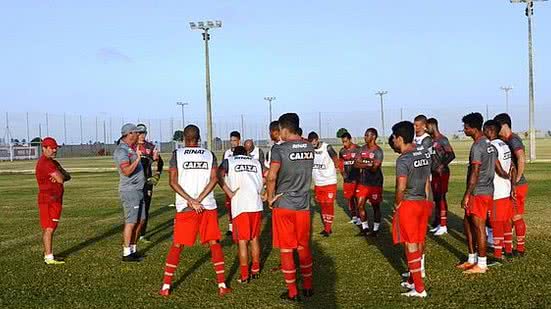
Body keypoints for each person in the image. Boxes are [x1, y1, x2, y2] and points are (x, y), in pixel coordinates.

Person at [159, 124, 231, 296]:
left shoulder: (177, 154)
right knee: (214, 243)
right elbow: (214, 179)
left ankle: (166, 287)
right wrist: (199, 199)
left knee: (177, 244)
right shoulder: (209, 154)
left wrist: (191, 200)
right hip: (207, 205)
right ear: (199, 138)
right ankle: (222, 284)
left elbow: (172, 182)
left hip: (185, 207)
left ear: (184, 138)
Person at [266, 113, 315, 301]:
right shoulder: (309, 146)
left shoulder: (279, 149)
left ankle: (293, 291)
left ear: (284, 129)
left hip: (284, 203)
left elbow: (272, 176)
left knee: (286, 249)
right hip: (303, 204)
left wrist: (270, 198)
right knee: (303, 246)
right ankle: (308, 287)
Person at [390, 121, 431, 298]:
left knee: (410, 243)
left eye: (393, 138)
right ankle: (413, 279)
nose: (393, 141)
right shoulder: (423, 151)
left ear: (399, 138)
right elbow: (427, 180)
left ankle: (419, 289)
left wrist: (397, 204)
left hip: (409, 204)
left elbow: (400, 187)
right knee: (419, 239)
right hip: (423, 202)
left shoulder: (403, 159)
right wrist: (430, 201)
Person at [218, 146, 264, 283]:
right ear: (246, 153)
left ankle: (244, 275)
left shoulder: (229, 161)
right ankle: (255, 268)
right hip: (256, 205)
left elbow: (217, 175)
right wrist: (265, 192)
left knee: (242, 241)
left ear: (234, 154)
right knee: (254, 238)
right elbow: (268, 175)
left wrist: (228, 191)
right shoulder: (256, 162)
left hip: (240, 206)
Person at [457, 113, 496, 274]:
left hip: (479, 192)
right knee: (467, 222)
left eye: (465, 127)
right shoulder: (489, 144)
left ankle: (481, 264)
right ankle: (471, 258)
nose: (464, 130)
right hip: (486, 190)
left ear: (472, 128)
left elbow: (475, 171)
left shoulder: (478, 146)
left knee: (479, 227)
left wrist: (467, 193)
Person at [494, 113, 528, 257]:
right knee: (508, 217)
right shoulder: (505, 140)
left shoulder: (513, 139)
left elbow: (521, 158)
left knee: (516, 216)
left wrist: (517, 178)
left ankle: (520, 249)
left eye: (497, 127)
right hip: (510, 184)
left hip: (517, 185)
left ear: (504, 125)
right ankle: (508, 247)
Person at [113, 123, 146, 262]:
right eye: (136, 133)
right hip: (130, 190)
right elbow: (126, 171)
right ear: (128, 134)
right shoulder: (122, 151)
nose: (138, 135)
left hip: (138, 189)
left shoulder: (130, 149)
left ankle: (133, 248)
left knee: (141, 220)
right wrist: (138, 159)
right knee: (131, 221)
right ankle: (126, 252)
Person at [35, 137, 70, 265]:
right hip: (49, 200)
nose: (55, 150)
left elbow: (67, 176)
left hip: (54, 199)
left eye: (56, 148)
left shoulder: (53, 162)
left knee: (50, 227)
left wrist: (60, 175)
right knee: (49, 228)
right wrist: (59, 176)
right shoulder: (46, 163)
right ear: (44, 148)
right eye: (52, 148)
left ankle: (48, 254)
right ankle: (49, 257)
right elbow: (61, 178)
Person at [484, 120, 515, 260]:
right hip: (506, 189)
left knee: (496, 222)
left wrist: (503, 174)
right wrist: (511, 183)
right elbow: (513, 166)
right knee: (506, 221)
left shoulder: (492, 146)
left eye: (485, 130)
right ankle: (508, 249)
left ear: (490, 130)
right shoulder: (505, 145)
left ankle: (498, 253)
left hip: (497, 190)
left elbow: (496, 164)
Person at [426, 118, 456, 236]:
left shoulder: (442, 140)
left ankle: (443, 225)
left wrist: (442, 165)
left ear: (433, 126)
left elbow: (451, 154)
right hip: (434, 173)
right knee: (437, 198)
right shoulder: (431, 140)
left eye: (427, 127)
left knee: (442, 196)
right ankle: (438, 223)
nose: (426, 129)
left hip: (442, 173)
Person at [135, 124, 164, 243]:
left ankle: (142, 234)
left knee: (145, 208)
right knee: (134, 207)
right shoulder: (130, 146)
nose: (142, 135)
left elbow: (160, 161)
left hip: (147, 182)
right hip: (134, 183)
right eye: (139, 133)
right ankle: (132, 231)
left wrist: (157, 174)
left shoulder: (150, 147)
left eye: (144, 133)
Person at [308, 131, 340, 237]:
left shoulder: (327, 147)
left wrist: (337, 167)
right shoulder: (310, 149)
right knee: (322, 204)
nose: (313, 144)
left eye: (314, 142)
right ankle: (327, 226)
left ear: (317, 140)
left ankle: (327, 228)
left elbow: (335, 158)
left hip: (329, 181)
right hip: (318, 182)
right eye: (311, 143)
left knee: (328, 204)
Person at [354, 128, 384, 237]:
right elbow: (355, 164)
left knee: (376, 206)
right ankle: (365, 228)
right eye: (365, 135)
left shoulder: (378, 151)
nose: (365, 137)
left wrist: (363, 163)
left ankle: (375, 229)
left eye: (367, 135)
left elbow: (375, 169)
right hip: (363, 182)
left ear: (373, 137)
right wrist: (369, 164)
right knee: (360, 205)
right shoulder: (362, 149)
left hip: (375, 183)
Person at [339, 132, 360, 224]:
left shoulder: (358, 149)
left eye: (346, 141)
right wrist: (343, 173)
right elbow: (341, 164)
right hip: (347, 180)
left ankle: (360, 217)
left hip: (357, 178)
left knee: (358, 198)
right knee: (350, 198)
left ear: (350, 140)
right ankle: (354, 217)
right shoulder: (342, 151)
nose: (344, 144)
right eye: (343, 142)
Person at [223, 130, 241, 236]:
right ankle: (231, 227)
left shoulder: (243, 152)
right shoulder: (227, 153)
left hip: (239, 185)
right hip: (229, 184)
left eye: (235, 140)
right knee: (229, 206)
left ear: (239, 140)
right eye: (231, 141)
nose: (233, 143)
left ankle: (239, 225)